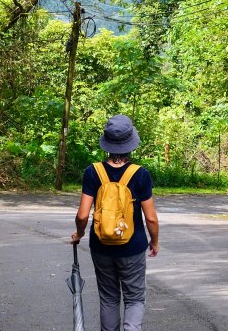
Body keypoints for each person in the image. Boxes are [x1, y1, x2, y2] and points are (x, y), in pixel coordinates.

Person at [70, 114, 159, 331]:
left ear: (107, 144)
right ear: (131, 144)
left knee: (109, 298)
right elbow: (150, 218)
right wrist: (154, 241)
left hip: (101, 246)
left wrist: (79, 234)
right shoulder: (140, 174)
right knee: (135, 298)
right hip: (132, 247)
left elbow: (82, 215)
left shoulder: (93, 172)